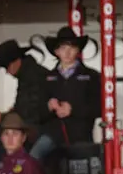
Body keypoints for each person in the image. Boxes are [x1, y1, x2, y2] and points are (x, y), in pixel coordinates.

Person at [31, 26, 101, 161]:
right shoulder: (46, 78)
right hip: (53, 134)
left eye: (72, 47)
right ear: (56, 51)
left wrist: (73, 109)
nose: (67, 52)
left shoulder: (91, 76)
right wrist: (49, 106)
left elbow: (99, 108)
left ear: (78, 50)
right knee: (33, 158)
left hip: (81, 135)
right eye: (63, 48)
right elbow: (37, 113)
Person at [0, 39, 49, 157]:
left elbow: (32, 113)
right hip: (38, 126)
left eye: (6, 67)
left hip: (42, 128)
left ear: (15, 62)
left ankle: (14, 164)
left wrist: (3, 117)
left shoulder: (32, 76)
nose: (8, 72)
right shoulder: (28, 74)